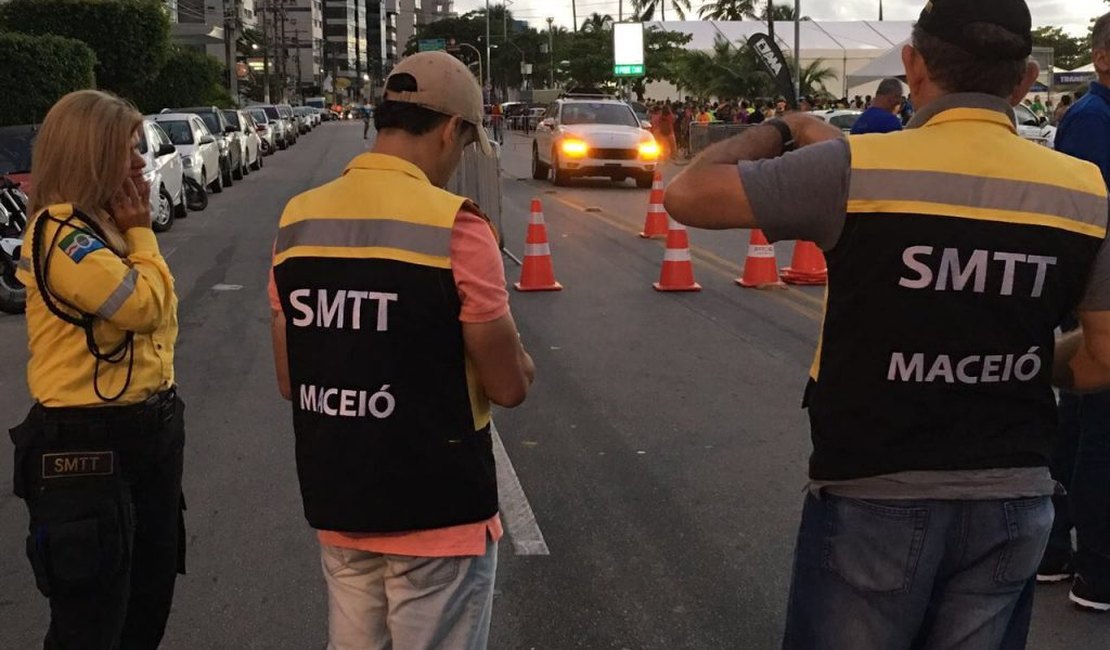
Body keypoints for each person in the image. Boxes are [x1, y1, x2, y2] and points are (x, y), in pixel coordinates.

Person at [662, 0, 1110, 646]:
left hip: (873, 495)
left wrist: (786, 129)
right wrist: (1024, 364)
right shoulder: (1084, 192)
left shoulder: (855, 169)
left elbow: (687, 194)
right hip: (1012, 503)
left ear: (914, 64)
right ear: (1026, 82)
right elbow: (1101, 357)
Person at [269, 51, 535, 649]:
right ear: (449, 130)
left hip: (339, 502)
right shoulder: (456, 228)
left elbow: (292, 377)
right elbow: (509, 386)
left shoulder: (297, 222)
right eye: (465, 144)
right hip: (436, 510)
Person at [9, 89, 185, 648]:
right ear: (87, 155)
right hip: (86, 448)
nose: (139, 161)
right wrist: (141, 234)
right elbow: (144, 305)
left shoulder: (100, 225)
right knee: (92, 622)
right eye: (125, 150)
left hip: (148, 431)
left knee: (146, 603)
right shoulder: (62, 232)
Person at [1038, 12, 1110, 613]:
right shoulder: (1092, 120)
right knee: (1095, 429)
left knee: (1081, 427)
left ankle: (1056, 549)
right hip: (1096, 299)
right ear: (1103, 58)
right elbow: (1093, 220)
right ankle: (1095, 568)